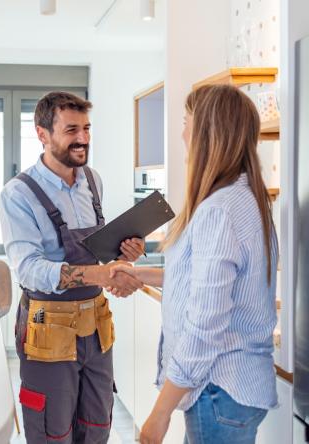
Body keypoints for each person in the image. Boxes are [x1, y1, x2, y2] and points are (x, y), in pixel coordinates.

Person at [110, 84, 279, 444]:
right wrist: (139, 275)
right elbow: (200, 281)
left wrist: (160, 413)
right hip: (235, 391)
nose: (183, 134)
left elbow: (205, 325)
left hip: (217, 390)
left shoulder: (219, 210)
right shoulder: (244, 197)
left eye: (187, 122)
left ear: (208, 134)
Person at [0, 91, 145, 443]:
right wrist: (99, 273)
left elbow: (97, 252)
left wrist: (124, 254)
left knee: (96, 427)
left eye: (87, 129)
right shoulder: (17, 195)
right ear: (42, 134)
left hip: (96, 328)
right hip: (49, 331)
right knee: (53, 432)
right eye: (71, 130)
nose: (82, 139)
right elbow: (29, 269)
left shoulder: (92, 181)